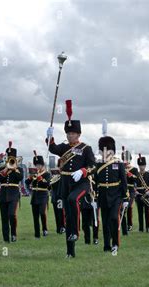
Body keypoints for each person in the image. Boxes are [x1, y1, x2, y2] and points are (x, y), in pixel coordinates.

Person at [46, 100, 96, 258]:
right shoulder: (64, 147)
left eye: (72, 133)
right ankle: (70, 251)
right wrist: (49, 137)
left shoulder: (86, 148)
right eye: (68, 133)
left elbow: (93, 166)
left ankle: (76, 232)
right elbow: (52, 148)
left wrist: (83, 171)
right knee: (68, 214)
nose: (69, 136)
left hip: (81, 183)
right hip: (66, 183)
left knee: (73, 199)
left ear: (78, 134)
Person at [93, 136, 129, 255]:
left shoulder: (118, 163)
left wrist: (125, 197)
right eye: (103, 151)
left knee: (114, 218)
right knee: (105, 221)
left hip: (116, 196)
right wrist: (94, 196)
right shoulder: (98, 165)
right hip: (103, 196)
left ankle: (115, 243)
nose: (105, 153)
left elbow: (123, 181)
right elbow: (95, 182)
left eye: (107, 150)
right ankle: (106, 245)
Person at [0, 141, 23, 243]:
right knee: (4, 218)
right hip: (3, 195)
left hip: (14, 194)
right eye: (8, 157)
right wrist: (6, 169)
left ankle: (13, 234)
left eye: (11, 157)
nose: (9, 159)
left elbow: (20, 178)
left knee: (12, 215)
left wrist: (14, 169)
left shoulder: (19, 169)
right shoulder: (2, 168)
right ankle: (6, 239)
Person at [25, 150, 51, 239]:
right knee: (35, 216)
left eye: (39, 165)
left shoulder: (47, 174)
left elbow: (47, 184)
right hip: (35, 196)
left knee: (42, 213)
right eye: (36, 165)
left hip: (43, 195)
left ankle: (44, 229)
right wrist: (30, 177)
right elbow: (27, 182)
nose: (37, 166)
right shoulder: (34, 174)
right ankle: (37, 234)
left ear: (42, 165)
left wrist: (40, 178)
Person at [121, 146, 138, 235]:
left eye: (126, 158)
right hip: (122, 189)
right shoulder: (120, 168)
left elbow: (137, 179)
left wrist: (129, 174)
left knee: (129, 206)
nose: (125, 160)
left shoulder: (134, 169)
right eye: (124, 158)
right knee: (122, 207)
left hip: (130, 189)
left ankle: (130, 224)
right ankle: (123, 224)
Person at [135, 154, 149, 233]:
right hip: (138, 195)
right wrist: (135, 191)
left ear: (145, 165)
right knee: (140, 212)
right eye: (140, 165)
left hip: (147, 194)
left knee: (147, 211)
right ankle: (141, 228)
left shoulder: (148, 175)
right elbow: (134, 185)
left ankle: (148, 227)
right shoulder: (137, 175)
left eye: (142, 165)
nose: (141, 167)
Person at [49, 159, 66, 235]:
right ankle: (58, 227)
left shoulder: (65, 173)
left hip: (62, 196)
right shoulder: (55, 174)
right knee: (56, 213)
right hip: (55, 196)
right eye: (60, 164)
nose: (61, 165)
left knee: (62, 212)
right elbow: (51, 186)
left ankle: (63, 226)